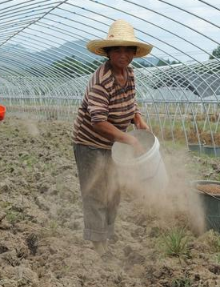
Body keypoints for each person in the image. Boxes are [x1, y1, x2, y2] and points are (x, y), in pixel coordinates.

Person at [72, 19, 153, 256]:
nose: (123, 54)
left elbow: (130, 102)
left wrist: (137, 118)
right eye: (117, 49)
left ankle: (106, 234)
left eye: (128, 49)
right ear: (108, 52)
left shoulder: (130, 74)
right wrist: (130, 139)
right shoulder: (101, 80)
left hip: (114, 144)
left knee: (114, 191)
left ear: (134, 53)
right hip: (89, 144)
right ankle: (98, 245)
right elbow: (98, 122)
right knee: (96, 191)